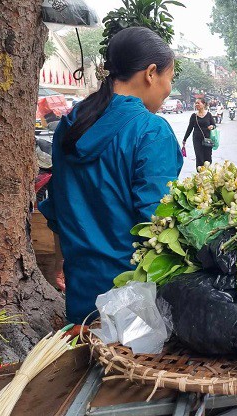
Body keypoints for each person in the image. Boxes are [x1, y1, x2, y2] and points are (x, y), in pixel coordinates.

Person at [39, 27, 183, 329]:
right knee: (128, 373)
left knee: (92, 368)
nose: (168, 88)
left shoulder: (70, 125)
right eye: (170, 78)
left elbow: (58, 206)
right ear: (151, 73)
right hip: (133, 297)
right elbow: (158, 223)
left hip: (82, 293)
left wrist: (59, 261)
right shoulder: (151, 131)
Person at [183, 97, 216, 168]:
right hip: (197, 139)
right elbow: (190, 128)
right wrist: (184, 139)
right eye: (196, 103)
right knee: (199, 157)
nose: (196, 104)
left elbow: (214, 125)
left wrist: (212, 126)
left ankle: (208, 173)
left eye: (198, 103)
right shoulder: (194, 116)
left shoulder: (209, 115)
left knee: (208, 157)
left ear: (203, 104)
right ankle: (200, 173)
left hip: (207, 139)